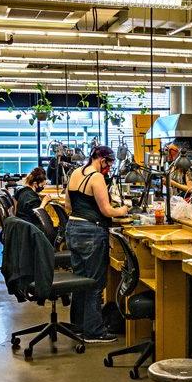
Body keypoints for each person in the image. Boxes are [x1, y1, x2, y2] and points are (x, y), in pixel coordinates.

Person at [65, 146, 129, 343]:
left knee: (80, 280)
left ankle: (78, 326)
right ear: (100, 158)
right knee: (94, 283)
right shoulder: (96, 178)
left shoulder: (76, 173)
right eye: (108, 162)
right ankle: (94, 332)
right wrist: (125, 210)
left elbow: (68, 205)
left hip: (73, 228)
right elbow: (107, 210)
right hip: (91, 232)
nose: (109, 167)